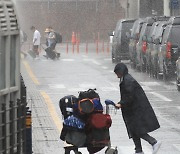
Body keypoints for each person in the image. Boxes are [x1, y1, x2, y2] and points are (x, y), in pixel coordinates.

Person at [114, 63, 162, 154]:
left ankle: (154, 142)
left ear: (121, 71)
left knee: (137, 129)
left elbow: (129, 96)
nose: (116, 76)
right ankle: (138, 150)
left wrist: (121, 103)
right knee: (133, 130)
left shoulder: (127, 80)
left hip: (136, 109)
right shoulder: (125, 79)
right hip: (132, 109)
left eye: (117, 73)